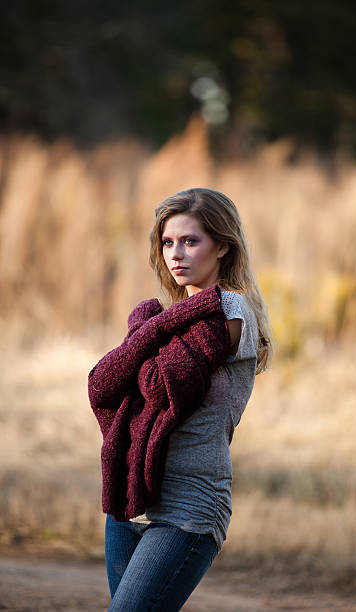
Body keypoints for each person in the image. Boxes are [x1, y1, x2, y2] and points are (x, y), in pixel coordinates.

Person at [88, 187, 272, 611]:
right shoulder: (174, 316)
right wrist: (157, 327)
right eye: (168, 242)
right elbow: (101, 384)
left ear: (223, 245)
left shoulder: (229, 311)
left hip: (190, 506)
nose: (177, 254)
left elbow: (156, 384)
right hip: (131, 501)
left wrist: (144, 333)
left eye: (191, 241)